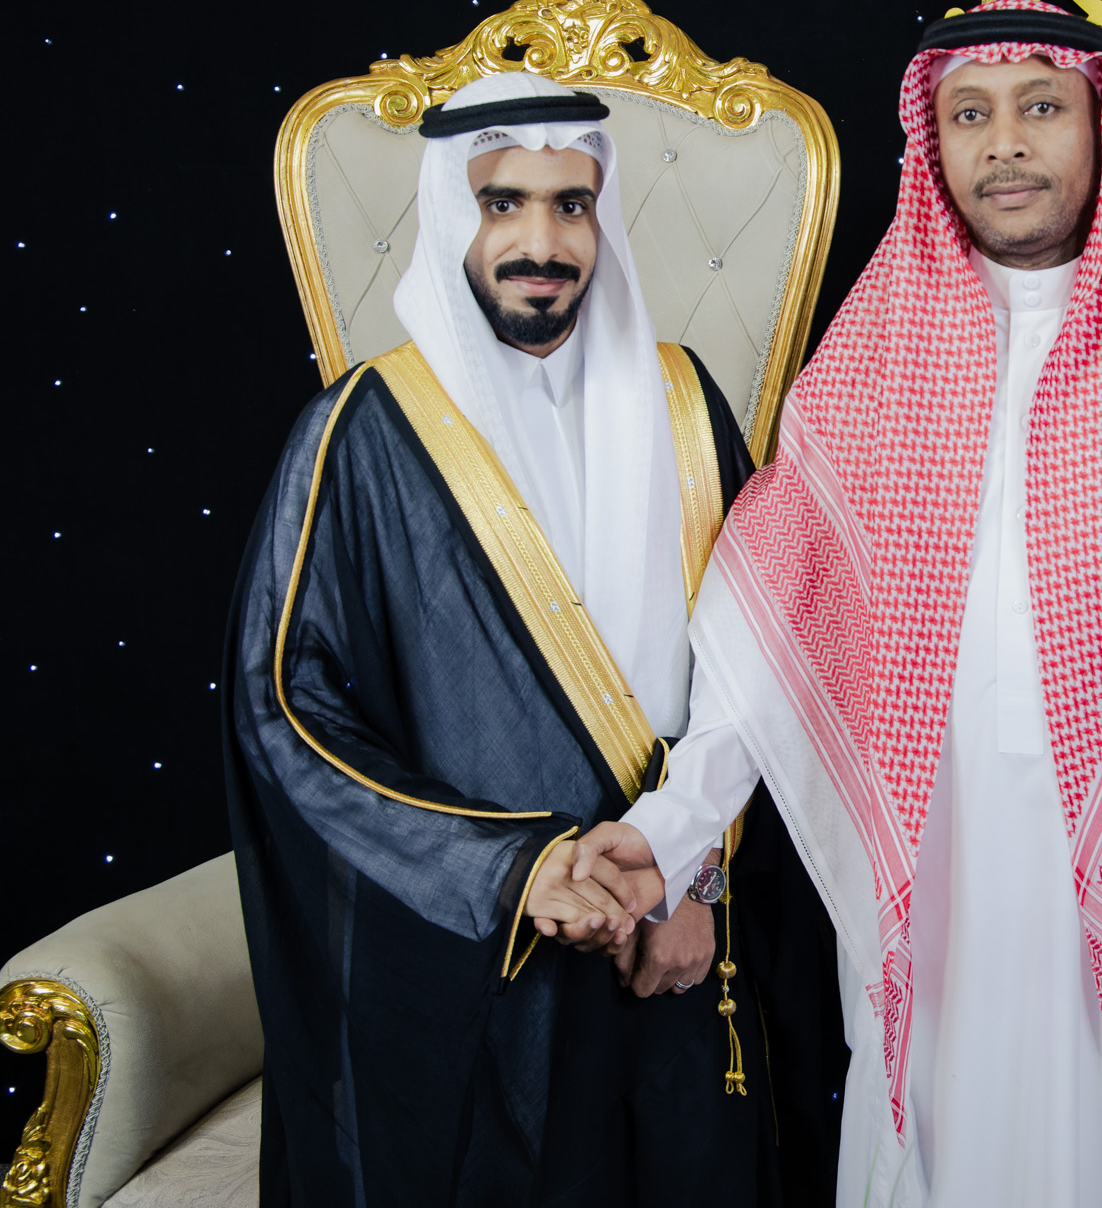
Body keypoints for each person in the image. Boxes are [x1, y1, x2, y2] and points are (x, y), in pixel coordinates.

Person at [556, 0, 1102, 1207]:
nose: (1003, 143)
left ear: (1098, 129)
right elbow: (765, 655)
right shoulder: (863, 370)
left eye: (1039, 107)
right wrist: (670, 830)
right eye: (968, 115)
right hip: (923, 851)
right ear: (932, 141)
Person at [225, 71, 834, 1205]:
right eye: (502, 203)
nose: (541, 243)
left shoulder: (684, 403)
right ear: (451, 214)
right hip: (472, 965)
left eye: (571, 205)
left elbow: (764, 665)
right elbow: (285, 709)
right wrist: (510, 871)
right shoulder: (360, 434)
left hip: (677, 946)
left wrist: (687, 876)